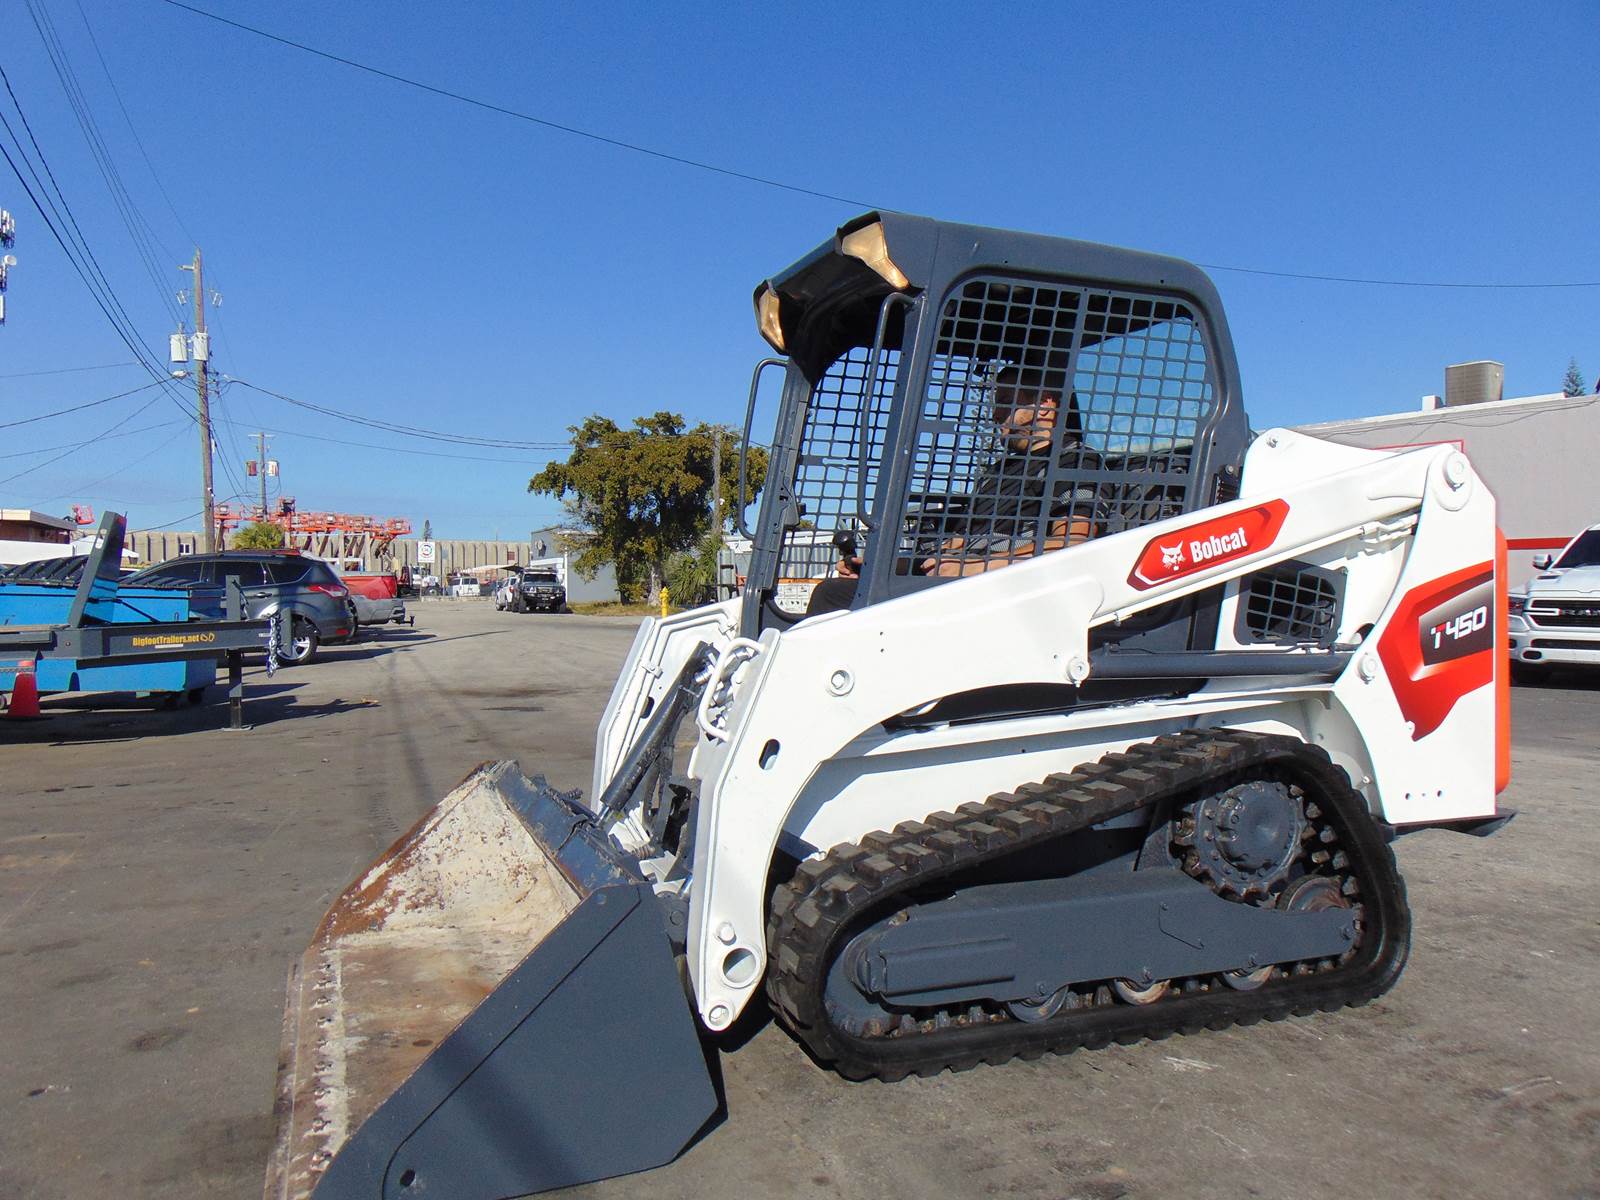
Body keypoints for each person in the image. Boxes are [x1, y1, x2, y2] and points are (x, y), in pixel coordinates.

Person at [804, 366, 1105, 616]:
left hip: (1002, 593)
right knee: (846, 591)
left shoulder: (1074, 462)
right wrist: (879, 568)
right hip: (959, 584)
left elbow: (1073, 544)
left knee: (832, 598)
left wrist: (974, 567)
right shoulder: (999, 473)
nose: (995, 415)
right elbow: (956, 544)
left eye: (1005, 401)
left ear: (1045, 405)